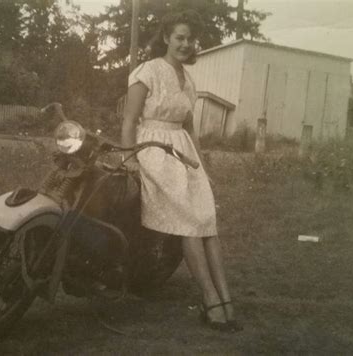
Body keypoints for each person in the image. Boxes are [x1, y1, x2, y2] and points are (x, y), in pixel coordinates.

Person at [121, 10, 242, 332]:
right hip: (152, 150)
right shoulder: (147, 71)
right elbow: (130, 120)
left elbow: (190, 129)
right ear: (166, 38)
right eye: (180, 38)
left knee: (207, 223)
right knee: (191, 223)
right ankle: (211, 301)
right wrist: (131, 158)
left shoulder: (188, 80)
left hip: (183, 153)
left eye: (190, 39)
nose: (186, 44)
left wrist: (200, 166)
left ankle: (226, 300)